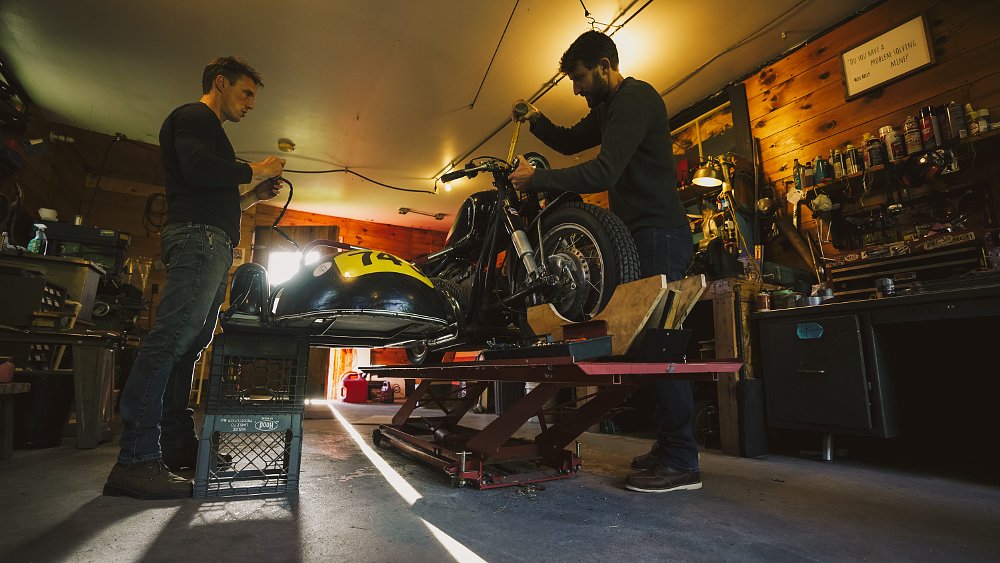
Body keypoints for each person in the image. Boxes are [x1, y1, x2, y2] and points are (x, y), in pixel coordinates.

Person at [509, 31, 697, 493]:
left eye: (579, 77)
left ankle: (682, 461)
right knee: (643, 347)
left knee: (659, 349)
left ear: (605, 66)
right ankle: (669, 446)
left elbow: (603, 171)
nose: (576, 88)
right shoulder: (608, 109)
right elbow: (571, 142)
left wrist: (538, 181)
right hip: (639, 237)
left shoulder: (634, 99)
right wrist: (536, 120)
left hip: (660, 234)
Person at [104, 57, 286, 499]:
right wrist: (257, 169)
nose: (251, 104)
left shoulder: (211, 133)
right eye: (246, 93)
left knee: (188, 346)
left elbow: (214, 195)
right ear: (220, 83)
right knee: (170, 341)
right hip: (199, 240)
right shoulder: (195, 116)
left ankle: (175, 443)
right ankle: (135, 459)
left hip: (212, 240)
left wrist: (253, 196)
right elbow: (196, 167)